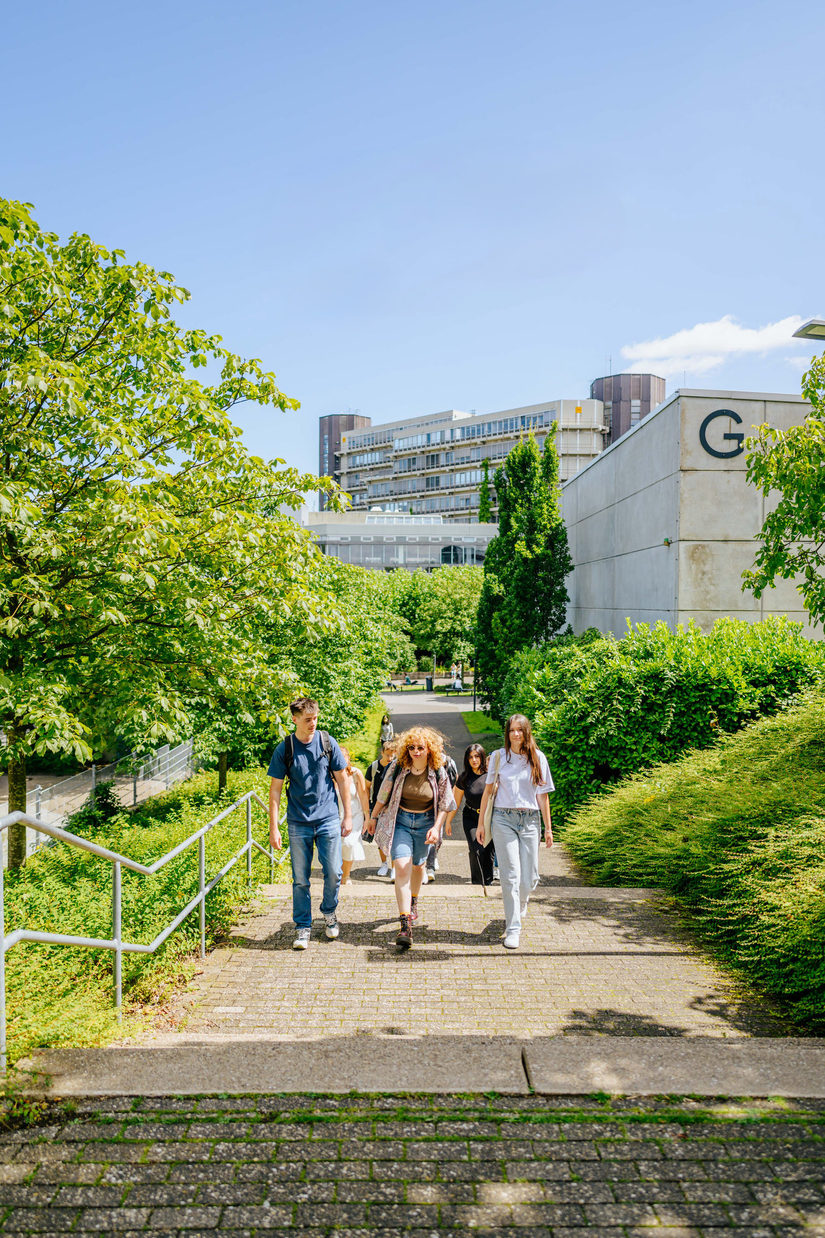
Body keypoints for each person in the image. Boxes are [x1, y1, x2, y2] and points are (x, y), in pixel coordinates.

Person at [268, 697, 351, 951]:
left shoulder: (327, 742)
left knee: (335, 872)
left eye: (315, 718)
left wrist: (347, 815)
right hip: (298, 822)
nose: (312, 723)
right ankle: (303, 927)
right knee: (300, 879)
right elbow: (275, 791)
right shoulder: (285, 748)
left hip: (327, 818)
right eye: (307, 719)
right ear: (294, 719)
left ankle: (329, 911)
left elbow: (343, 779)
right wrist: (274, 827)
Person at [366, 726, 455, 950]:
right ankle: (405, 924)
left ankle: (413, 899)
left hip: (426, 823)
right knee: (402, 867)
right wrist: (372, 817)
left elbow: (446, 803)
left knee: (418, 866)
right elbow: (383, 793)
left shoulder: (438, 770)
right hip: (401, 822)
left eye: (421, 748)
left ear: (429, 750)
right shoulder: (398, 767)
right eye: (412, 747)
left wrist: (436, 827)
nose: (416, 751)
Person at [476, 714, 554, 951]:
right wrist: (481, 824)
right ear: (507, 733)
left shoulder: (538, 758)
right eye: (512, 730)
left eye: (520, 730)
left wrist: (548, 828)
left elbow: (543, 795)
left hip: (530, 820)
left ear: (526, 732)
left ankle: (522, 900)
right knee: (510, 875)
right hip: (503, 818)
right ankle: (513, 929)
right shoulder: (499, 757)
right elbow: (488, 792)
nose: (516, 734)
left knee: (528, 878)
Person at [450, 743, 494, 885]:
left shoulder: (491, 776)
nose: (474, 760)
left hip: (489, 818)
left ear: (482, 757)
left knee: (487, 850)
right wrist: (448, 822)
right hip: (470, 817)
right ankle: (477, 882)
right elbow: (455, 802)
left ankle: (487, 880)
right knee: (476, 848)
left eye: (477, 756)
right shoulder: (464, 778)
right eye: (470, 757)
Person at [365, 739, 397, 877]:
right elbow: (367, 786)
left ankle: (395, 867)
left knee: (395, 837)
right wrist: (367, 806)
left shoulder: (397, 767)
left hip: (393, 807)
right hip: (377, 806)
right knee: (380, 837)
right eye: (387, 755)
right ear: (382, 752)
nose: (390, 758)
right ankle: (384, 863)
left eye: (392, 755)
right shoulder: (373, 767)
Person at [425, 749, 457, 881]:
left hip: (440, 804)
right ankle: (426, 865)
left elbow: (454, 783)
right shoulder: (423, 759)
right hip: (425, 802)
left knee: (436, 834)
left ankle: (431, 864)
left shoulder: (448, 762)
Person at [338, 746, 369, 884]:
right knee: (338, 846)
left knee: (349, 843)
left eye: (344, 757)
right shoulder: (330, 774)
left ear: (348, 758)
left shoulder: (356, 773)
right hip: (336, 815)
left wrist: (367, 817)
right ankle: (338, 873)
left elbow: (363, 795)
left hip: (354, 815)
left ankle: (346, 875)